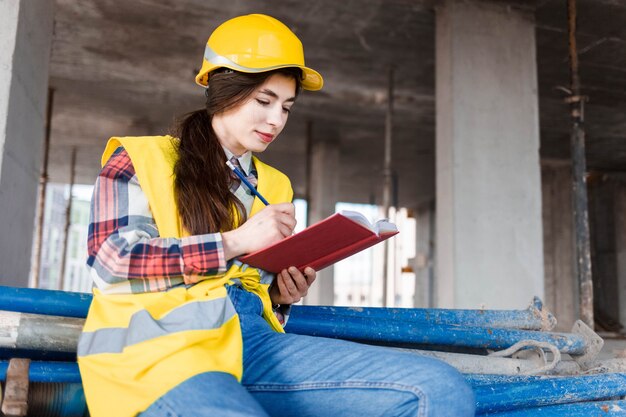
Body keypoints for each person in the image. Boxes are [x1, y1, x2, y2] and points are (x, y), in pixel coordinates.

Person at [77, 13, 475, 417]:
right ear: (223, 92)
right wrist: (236, 241)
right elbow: (111, 261)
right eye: (264, 101)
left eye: (286, 107)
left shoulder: (274, 184)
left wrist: (281, 294)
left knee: (438, 391)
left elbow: (254, 285)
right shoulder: (142, 158)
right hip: (163, 349)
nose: (276, 120)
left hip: (253, 343)